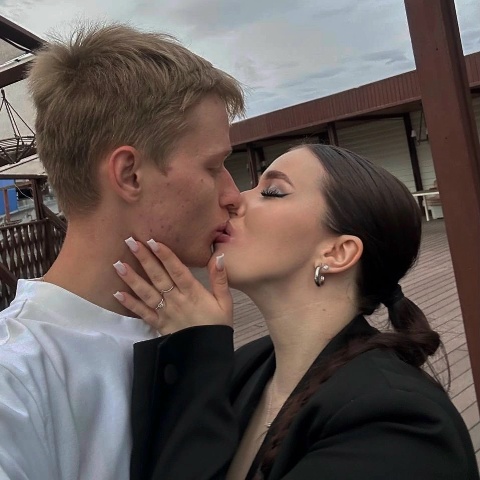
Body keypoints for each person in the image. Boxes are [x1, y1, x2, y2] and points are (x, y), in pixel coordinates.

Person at [115, 144, 479, 479]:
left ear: (336, 253)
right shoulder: (245, 367)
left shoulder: (397, 425)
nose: (235, 199)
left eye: (273, 192)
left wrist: (194, 359)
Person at [0, 23, 244, 479]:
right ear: (130, 174)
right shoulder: (15, 379)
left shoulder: (190, 329)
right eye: (214, 167)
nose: (234, 196)